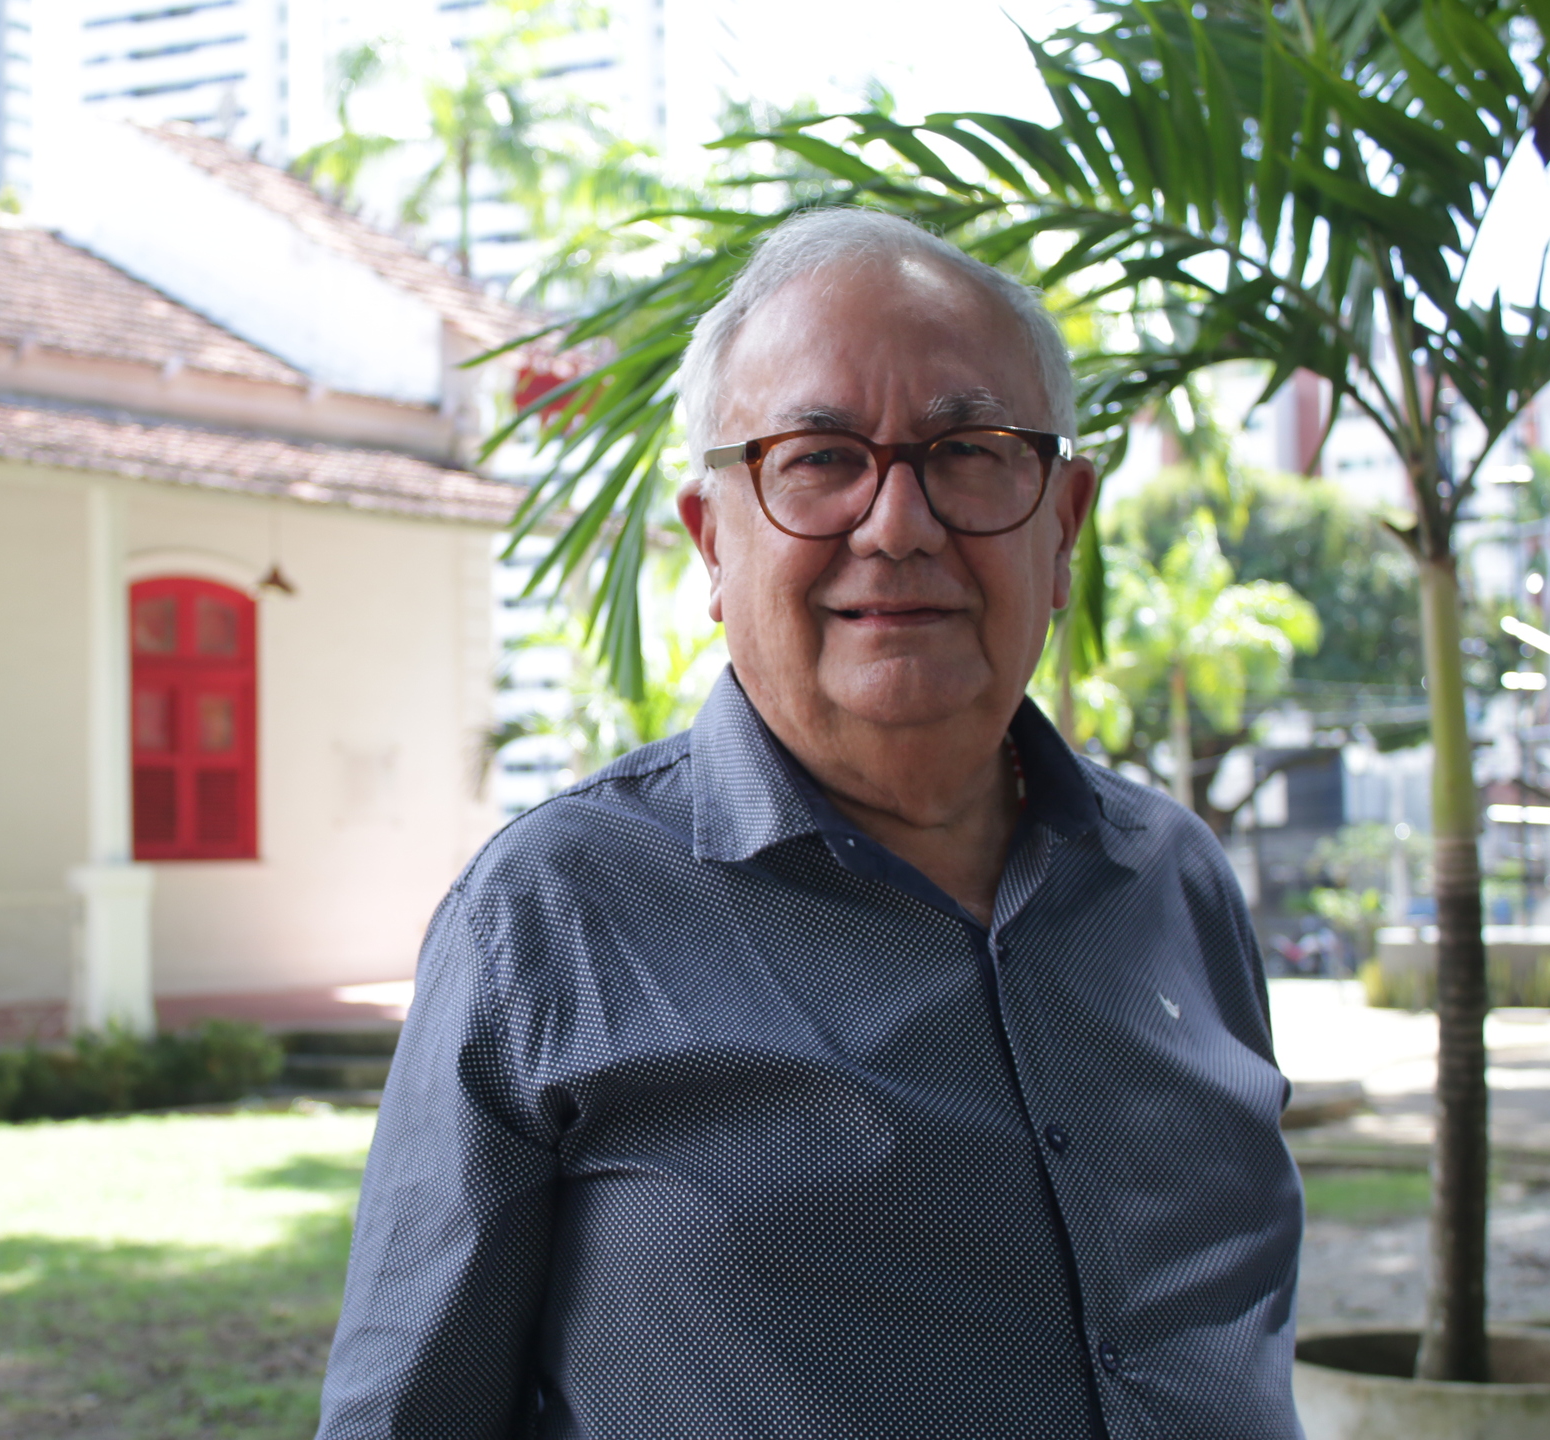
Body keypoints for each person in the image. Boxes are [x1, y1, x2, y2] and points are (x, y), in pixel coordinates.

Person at [315, 208, 1302, 1439]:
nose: (897, 524)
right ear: (713, 540)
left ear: (1064, 526)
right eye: (820, 458)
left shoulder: (1177, 884)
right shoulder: (553, 919)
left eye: (970, 448)